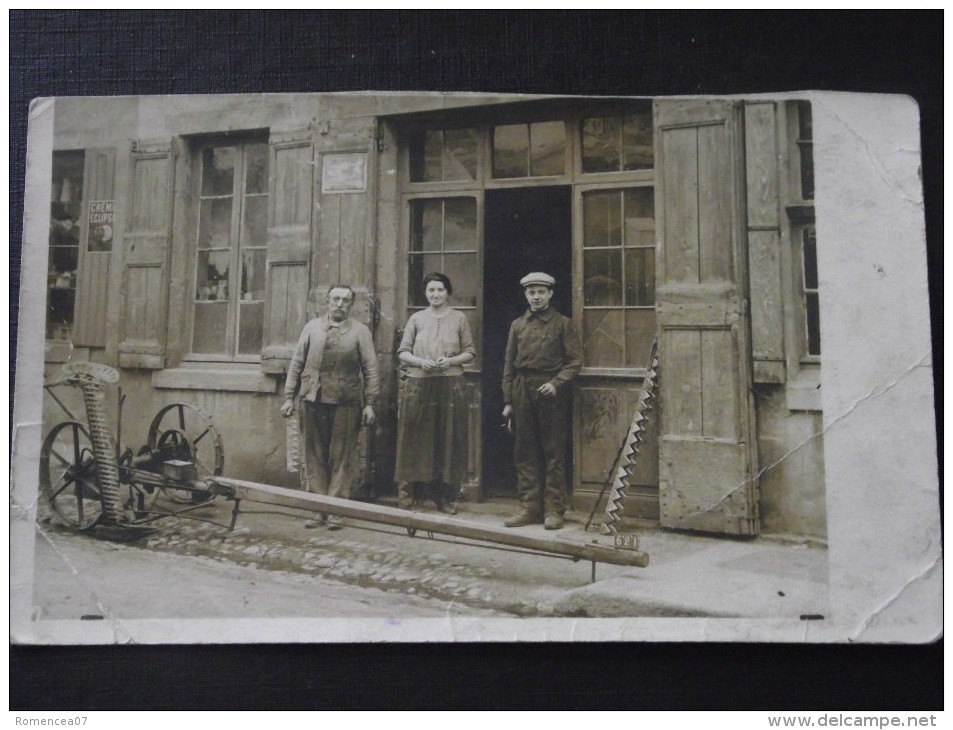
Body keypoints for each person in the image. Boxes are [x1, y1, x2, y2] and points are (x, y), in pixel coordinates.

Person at [280, 285, 379, 530]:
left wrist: (370, 404)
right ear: (327, 301)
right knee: (313, 455)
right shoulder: (312, 328)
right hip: (313, 400)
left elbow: (370, 369)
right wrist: (289, 397)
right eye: (335, 299)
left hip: (346, 402)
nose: (339, 304)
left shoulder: (360, 331)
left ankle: (335, 510)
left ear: (351, 304)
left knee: (342, 456)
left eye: (345, 300)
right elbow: (297, 363)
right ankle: (317, 509)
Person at [501, 272, 582, 530]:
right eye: (531, 292)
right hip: (521, 390)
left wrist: (556, 383)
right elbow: (508, 365)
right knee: (524, 452)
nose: (536, 296)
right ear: (525, 295)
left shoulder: (563, 324)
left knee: (553, 452)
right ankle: (529, 507)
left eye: (540, 292)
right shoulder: (518, 325)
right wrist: (508, 401)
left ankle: (554, 510)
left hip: (550, 392)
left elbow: (574, 361)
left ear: (550, 294)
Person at [395, 272, 476, 514]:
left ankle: (446, 497)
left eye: (440, 290)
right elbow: (403, 352)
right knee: (416, 439)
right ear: (425, 293)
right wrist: (420, 362)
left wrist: (450, 361)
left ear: (447, 292)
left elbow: (470, 352)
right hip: (419, 385)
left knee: (448, 440)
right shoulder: (416, 319)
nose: (436, 294)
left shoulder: (459, 318)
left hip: (450, 385)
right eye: (431, 290)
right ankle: (411, 496)